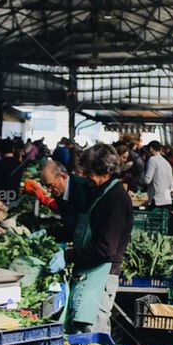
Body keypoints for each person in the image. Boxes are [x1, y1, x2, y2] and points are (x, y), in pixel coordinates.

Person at [67, 144, 134, 335]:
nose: (87, 177)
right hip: (89, 272)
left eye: (90, 172)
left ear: (106, 171)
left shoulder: (115, 200)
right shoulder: (102, 192)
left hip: (102, 275)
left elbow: (105, 249)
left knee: (92, 334)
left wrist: (69, 255)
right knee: (82, 331)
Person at [39, 158, 91, 242]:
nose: (49, 190)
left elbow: (76, 228)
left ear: (63, 176)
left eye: (50, 185)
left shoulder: (81, 190)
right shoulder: (59, 193)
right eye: (46, 186)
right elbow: (68, 227)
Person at [141, 141, 173, 207]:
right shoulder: (166, 163)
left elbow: (147, 180)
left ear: (151, 149)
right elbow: (171, 183)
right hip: (167, 199)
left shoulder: (152, 160)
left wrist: (140, 181)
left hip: (156, 199)